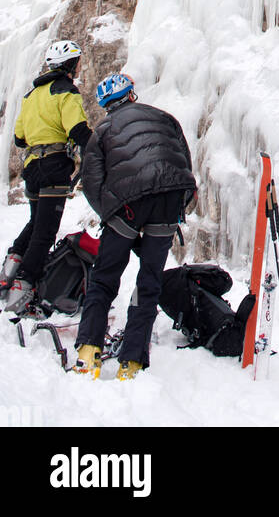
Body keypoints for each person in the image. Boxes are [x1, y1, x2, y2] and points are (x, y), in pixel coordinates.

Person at [74, 73, 196, 379]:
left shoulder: (101, 131)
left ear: (106, 105)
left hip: (128, 205)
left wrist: (111, 214)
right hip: (170, 198)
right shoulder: (164, 118)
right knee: (149, 281)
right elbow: (184, 161)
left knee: (104, 278)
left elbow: (91, 181)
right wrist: (178, 207)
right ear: (132, 95)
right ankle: (132, 361)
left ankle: (89, 351)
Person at [1, 40, 91, 314]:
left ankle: (10, 268)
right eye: (77, 62)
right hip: (54, 166)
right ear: (70, 65)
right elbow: (78, 130)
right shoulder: (67, 92)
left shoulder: (31, 96)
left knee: (36, 221)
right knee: (45, 230)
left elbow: (19, 138)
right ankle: (25, 285)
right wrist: (98, 151)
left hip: (32, 167)